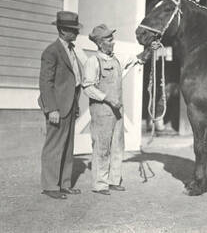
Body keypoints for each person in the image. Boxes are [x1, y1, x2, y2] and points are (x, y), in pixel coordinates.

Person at [83, 24, 138, 195]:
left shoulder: (115, 60)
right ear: (100, 43)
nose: (112, 42)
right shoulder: (93, 61)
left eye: (111, 38)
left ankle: (114, 180)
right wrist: (107, 98)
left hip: (117, 111)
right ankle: (100, 184)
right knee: (102, 147)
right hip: (102, 111)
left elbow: (134, 59)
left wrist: (149, 50)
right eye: (109, 39)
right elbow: (88, 87)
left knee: (117, 146)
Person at [38, 11, 83, 199]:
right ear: (63, 30)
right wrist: (52, 109)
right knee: (54, 145)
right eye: (73, 30)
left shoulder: (71, 50)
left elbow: (75, 79)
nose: (77, 34)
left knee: (68, 146)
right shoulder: (51, 51)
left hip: (70, 105)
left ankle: (64, 184)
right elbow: (45, 82)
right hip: (57, 107)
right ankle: (50, 186)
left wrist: (76, 104)